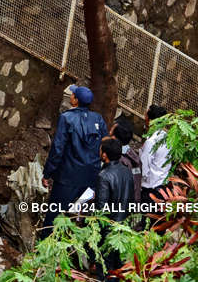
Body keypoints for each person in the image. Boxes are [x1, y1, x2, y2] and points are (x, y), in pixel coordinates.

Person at [40, 85, 107, 238]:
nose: (70, 96)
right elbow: (105, 145)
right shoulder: (98, 119)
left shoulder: (66, 118)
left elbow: (58, 149)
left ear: (75, 100)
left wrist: (47, 173)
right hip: (90, 180)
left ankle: (44, 246)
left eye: (73, 94)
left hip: (67, 178)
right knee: (80, 217)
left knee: (54, 215)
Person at [94, 138, 134, 279]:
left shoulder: (103, 176)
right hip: (124, 225)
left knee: (105, 266)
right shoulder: (127, 171)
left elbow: (101, 208)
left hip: (109, 228)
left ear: (104, 155)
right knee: (118, 266)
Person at [139, 105, 171, 203]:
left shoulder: (151, 142)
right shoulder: (167, 137)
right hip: (164, 187)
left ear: (150, 120)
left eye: (146, 115)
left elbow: (144, 168)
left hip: (151, 190)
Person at [111, 117, 141, 202]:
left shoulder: (117, 160)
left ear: (115, 137)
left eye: (111, 131)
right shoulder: (135, 157)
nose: (109, 133)